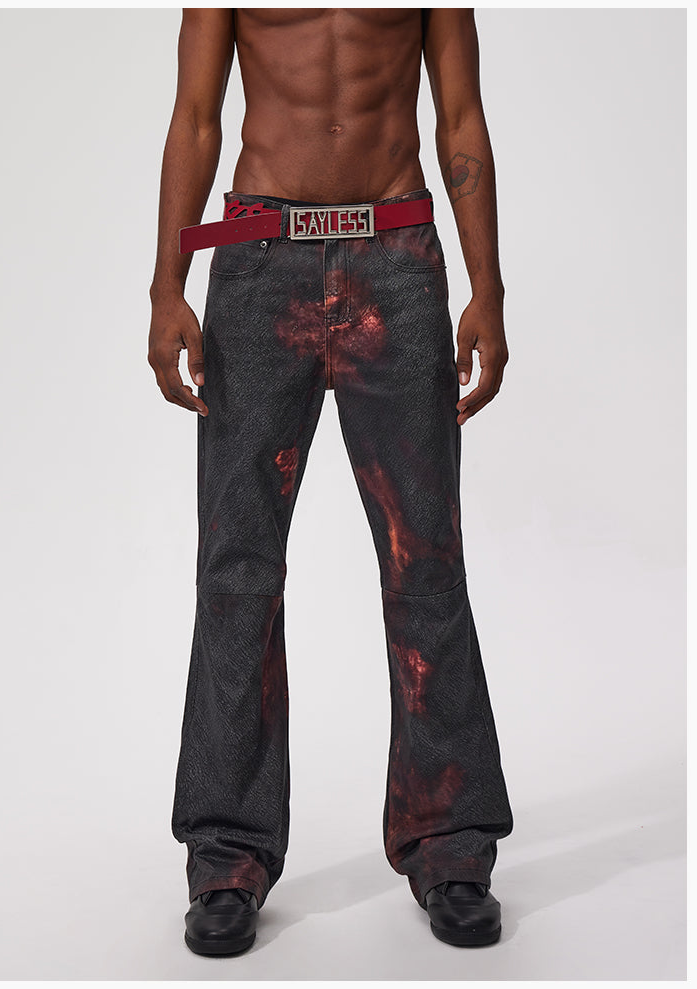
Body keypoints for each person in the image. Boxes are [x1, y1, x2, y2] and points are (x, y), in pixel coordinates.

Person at [148, 7, 513, 956]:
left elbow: (461, 116)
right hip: (257, 258)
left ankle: (451, 843)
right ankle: (226, 854)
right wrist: (166, 286)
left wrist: (488, 286)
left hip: (397, 257)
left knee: (425, 559)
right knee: (237, 569)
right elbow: (196, 116)